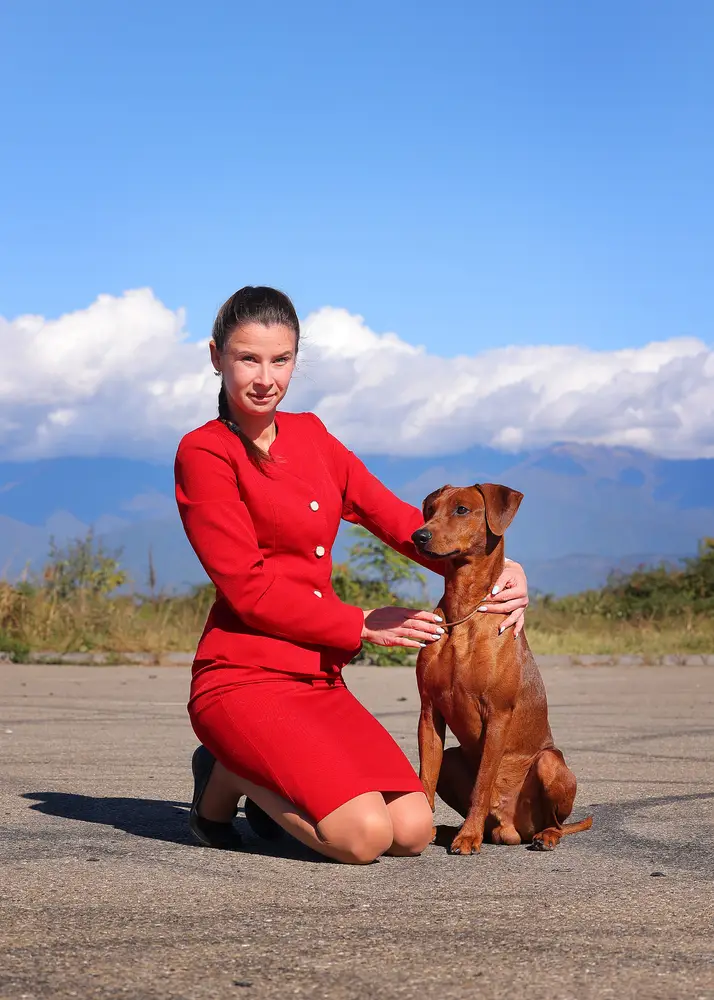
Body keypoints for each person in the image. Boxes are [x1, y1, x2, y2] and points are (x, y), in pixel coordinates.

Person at [174, 286, 530, 865]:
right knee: (362, 838)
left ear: (295, 360)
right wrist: (360, 622)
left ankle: (259, 778)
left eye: (280, 360)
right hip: (243, 677)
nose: (265, 378)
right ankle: (229, 773)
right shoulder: (205, 452)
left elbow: (397, 520)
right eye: (247, 359)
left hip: (317, 678)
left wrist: (502, 567)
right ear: (216, 357)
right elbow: (248, 588)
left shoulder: (313, 436)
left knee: (412, 830)